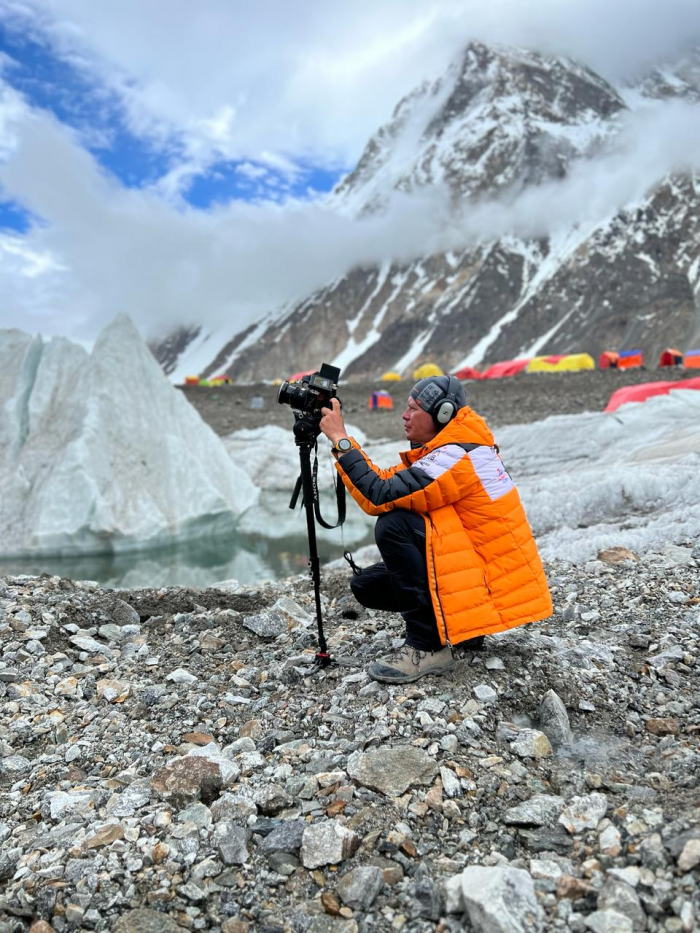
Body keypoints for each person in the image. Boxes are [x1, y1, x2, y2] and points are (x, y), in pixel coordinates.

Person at [318, 375, 552, 684]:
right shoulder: (450, 448)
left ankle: (427, 647)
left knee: (394, 526)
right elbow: (381, 489)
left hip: (490, 584)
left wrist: (342, 440)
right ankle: (464, 627)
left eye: (413, 409)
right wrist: (343, 450)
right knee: (368, 585)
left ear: (442, 414)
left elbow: (381, 493)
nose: (404, 416)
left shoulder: (459, 455)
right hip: (478, 577)